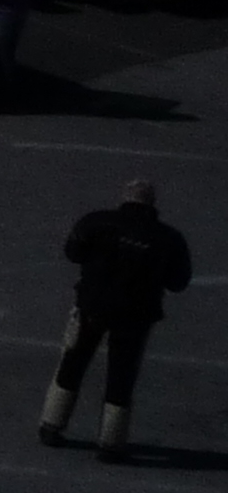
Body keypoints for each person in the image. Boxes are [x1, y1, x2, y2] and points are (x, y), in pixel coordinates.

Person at [44, 180, 192, 460]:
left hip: (91, 307)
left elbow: (72, 252)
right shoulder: (169, 238)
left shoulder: (95, 222)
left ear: (125, 198)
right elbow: (179, 282)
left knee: (72, 363)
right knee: (122, 377)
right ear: (152, 203)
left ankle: (51, 425)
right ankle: (110, 442)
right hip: (136, 316)